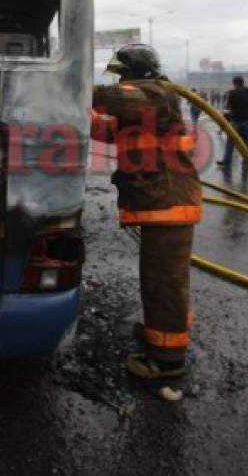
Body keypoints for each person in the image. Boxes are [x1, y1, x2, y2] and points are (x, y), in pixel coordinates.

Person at [92, 44, 202, 378]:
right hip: (161, 201)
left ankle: (167, 360)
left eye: (123, 73)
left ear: (137, 72)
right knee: (159, 278)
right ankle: (161, 332)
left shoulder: (155, 95)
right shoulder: (146, 105)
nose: (121, 79)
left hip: (168, 201)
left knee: (163, 282)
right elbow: (110, 129)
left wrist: (69, 85)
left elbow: (113, 98)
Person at [216, 76, 248, 169]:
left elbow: (228, 106)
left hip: (236, 121)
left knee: (230, 142)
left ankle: (227, 162)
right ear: (243, 82)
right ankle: (247, 161)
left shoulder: (233, 93)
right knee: (246, 142)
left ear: (234, 83)